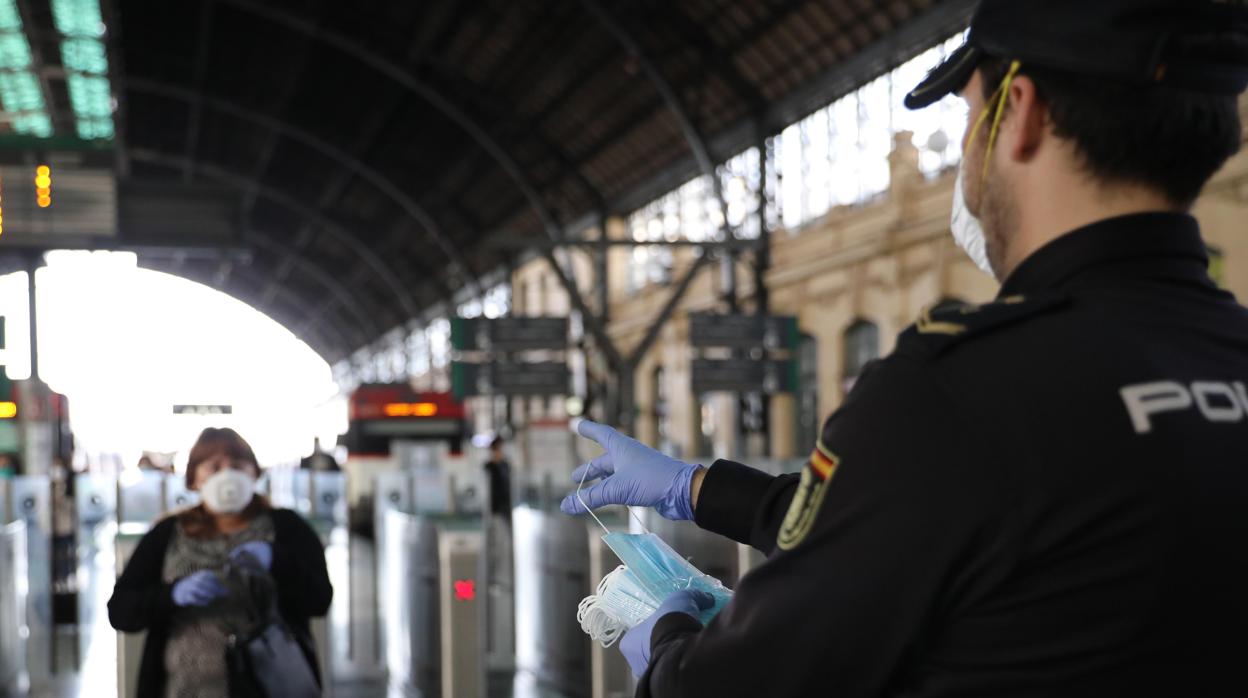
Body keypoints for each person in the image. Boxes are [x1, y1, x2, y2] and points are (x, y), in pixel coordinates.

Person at [561, 1, 1248, 695]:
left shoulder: (953, 393)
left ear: (1024, 113)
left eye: (971, 116)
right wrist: (698, 489)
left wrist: (669, 643)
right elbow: (910, 519)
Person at [108, 427, 333, 698]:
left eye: (237, 465)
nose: (227, 475)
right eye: (214, 467)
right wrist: (172, 595)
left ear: (254, 473)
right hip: (186, 688)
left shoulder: (287, 528)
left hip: (271, 686)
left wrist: (277, 561)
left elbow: (319, 600)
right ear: (194, 478)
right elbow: (121, 610)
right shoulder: (167, 534)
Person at [482, 435, 513, 520]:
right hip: (493, 506)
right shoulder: (489, 466)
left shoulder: (505, 465)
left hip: (506, 504)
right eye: (498, 448)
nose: (500, 451)